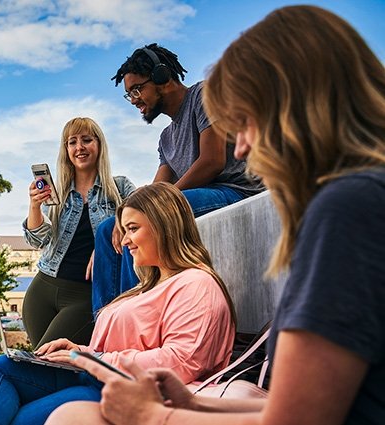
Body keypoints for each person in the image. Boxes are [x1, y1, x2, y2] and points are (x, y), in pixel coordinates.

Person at [49, 5, 385, 425]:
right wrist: (196, 403)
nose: (239, 149)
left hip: (220, 193)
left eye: (242, 122)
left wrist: (155, 416)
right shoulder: (353, 202)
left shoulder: (349, 210)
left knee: (73, 417)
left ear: (294, 104)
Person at [0, 182, 236, 425]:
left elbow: (182, 361)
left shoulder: (196, 284)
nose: (126, 240)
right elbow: (123, 345)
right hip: (97, 375)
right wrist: (80, 351)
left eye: (133, 229)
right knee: (0, 368)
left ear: (164, 226)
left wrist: (96, 359)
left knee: (21, 418)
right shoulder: (148, 287)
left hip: (124, 388)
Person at [92, 44, 264, 311]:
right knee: (107, 228)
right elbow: (158, 186)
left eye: (137, 89)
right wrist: (125, 211)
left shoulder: (204, 96)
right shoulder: (167, 137)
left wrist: (149, 207)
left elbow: (211, 162)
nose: (134, 99)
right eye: (129, 95)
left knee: (141, 217)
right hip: (196, 196)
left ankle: (137, 318)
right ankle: (107, 325)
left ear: (163, 78)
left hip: (234, 191)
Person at [22, 117, 136, 347]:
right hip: (42, 289)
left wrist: (110, 234)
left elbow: (144, 217)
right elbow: (39, 239)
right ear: (66, 150)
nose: (79, 147)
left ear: (99, 145)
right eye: (72, 142)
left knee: (47, 357)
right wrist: (34, 206)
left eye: (86, 140)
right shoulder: (59, 192)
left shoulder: (120, 187)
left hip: (86, 295)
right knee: (51, 369)